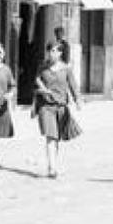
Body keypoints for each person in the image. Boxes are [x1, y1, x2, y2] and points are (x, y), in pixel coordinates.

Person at [32, 41, 83, 178]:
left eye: (55, 51)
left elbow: (73, 86)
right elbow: (36, 82)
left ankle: (52, 164)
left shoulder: (66, 69)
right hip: (46, 107)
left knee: (56, 139)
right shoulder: (42, 68)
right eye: (50, 50)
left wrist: (78, 100)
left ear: (60, 53)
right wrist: (42, 90)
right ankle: (52, 168)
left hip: (61, 107)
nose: (52, 53)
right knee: (51, 137)